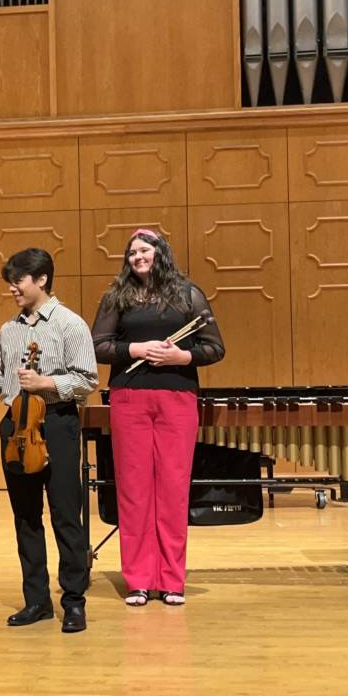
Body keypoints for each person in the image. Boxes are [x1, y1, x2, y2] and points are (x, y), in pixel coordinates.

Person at [91, 229, 225, 607]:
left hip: (177, 397)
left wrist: (181, 357)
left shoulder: (187, 294)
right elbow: (98, 345)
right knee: (133, 489)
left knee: (173, 487)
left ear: (160, 252)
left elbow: (215, 347)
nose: (137, 257)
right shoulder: (117, 296)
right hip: (129, 398)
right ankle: (138, 580)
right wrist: (135, 348)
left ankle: (170, 580)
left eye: (144, 250)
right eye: (132, 252)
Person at [0, 248, 98, 633]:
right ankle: (37, 601)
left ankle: (74, 601)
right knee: (26, 516)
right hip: (16, 426)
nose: (12, 289)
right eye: (10, 282)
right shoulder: (8, 330)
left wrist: (46, 382)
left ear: (42, 279)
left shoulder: (70, 324)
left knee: (65, 515)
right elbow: (1, 380)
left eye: (18, 281)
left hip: (57, 424)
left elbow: (87, 380)